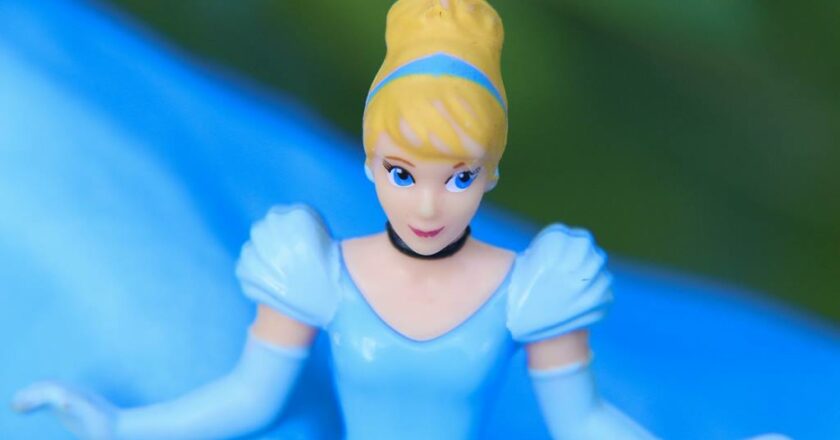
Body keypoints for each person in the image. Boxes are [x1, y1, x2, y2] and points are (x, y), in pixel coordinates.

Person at [11, 0, 655, 438]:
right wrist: (120, 424)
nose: (427, 206)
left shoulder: (531, 288)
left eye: (459, 177)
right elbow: (251, 398)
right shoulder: (316, 269)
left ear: (489, 175)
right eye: (403, 173)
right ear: (371, 166)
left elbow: (583, 422)